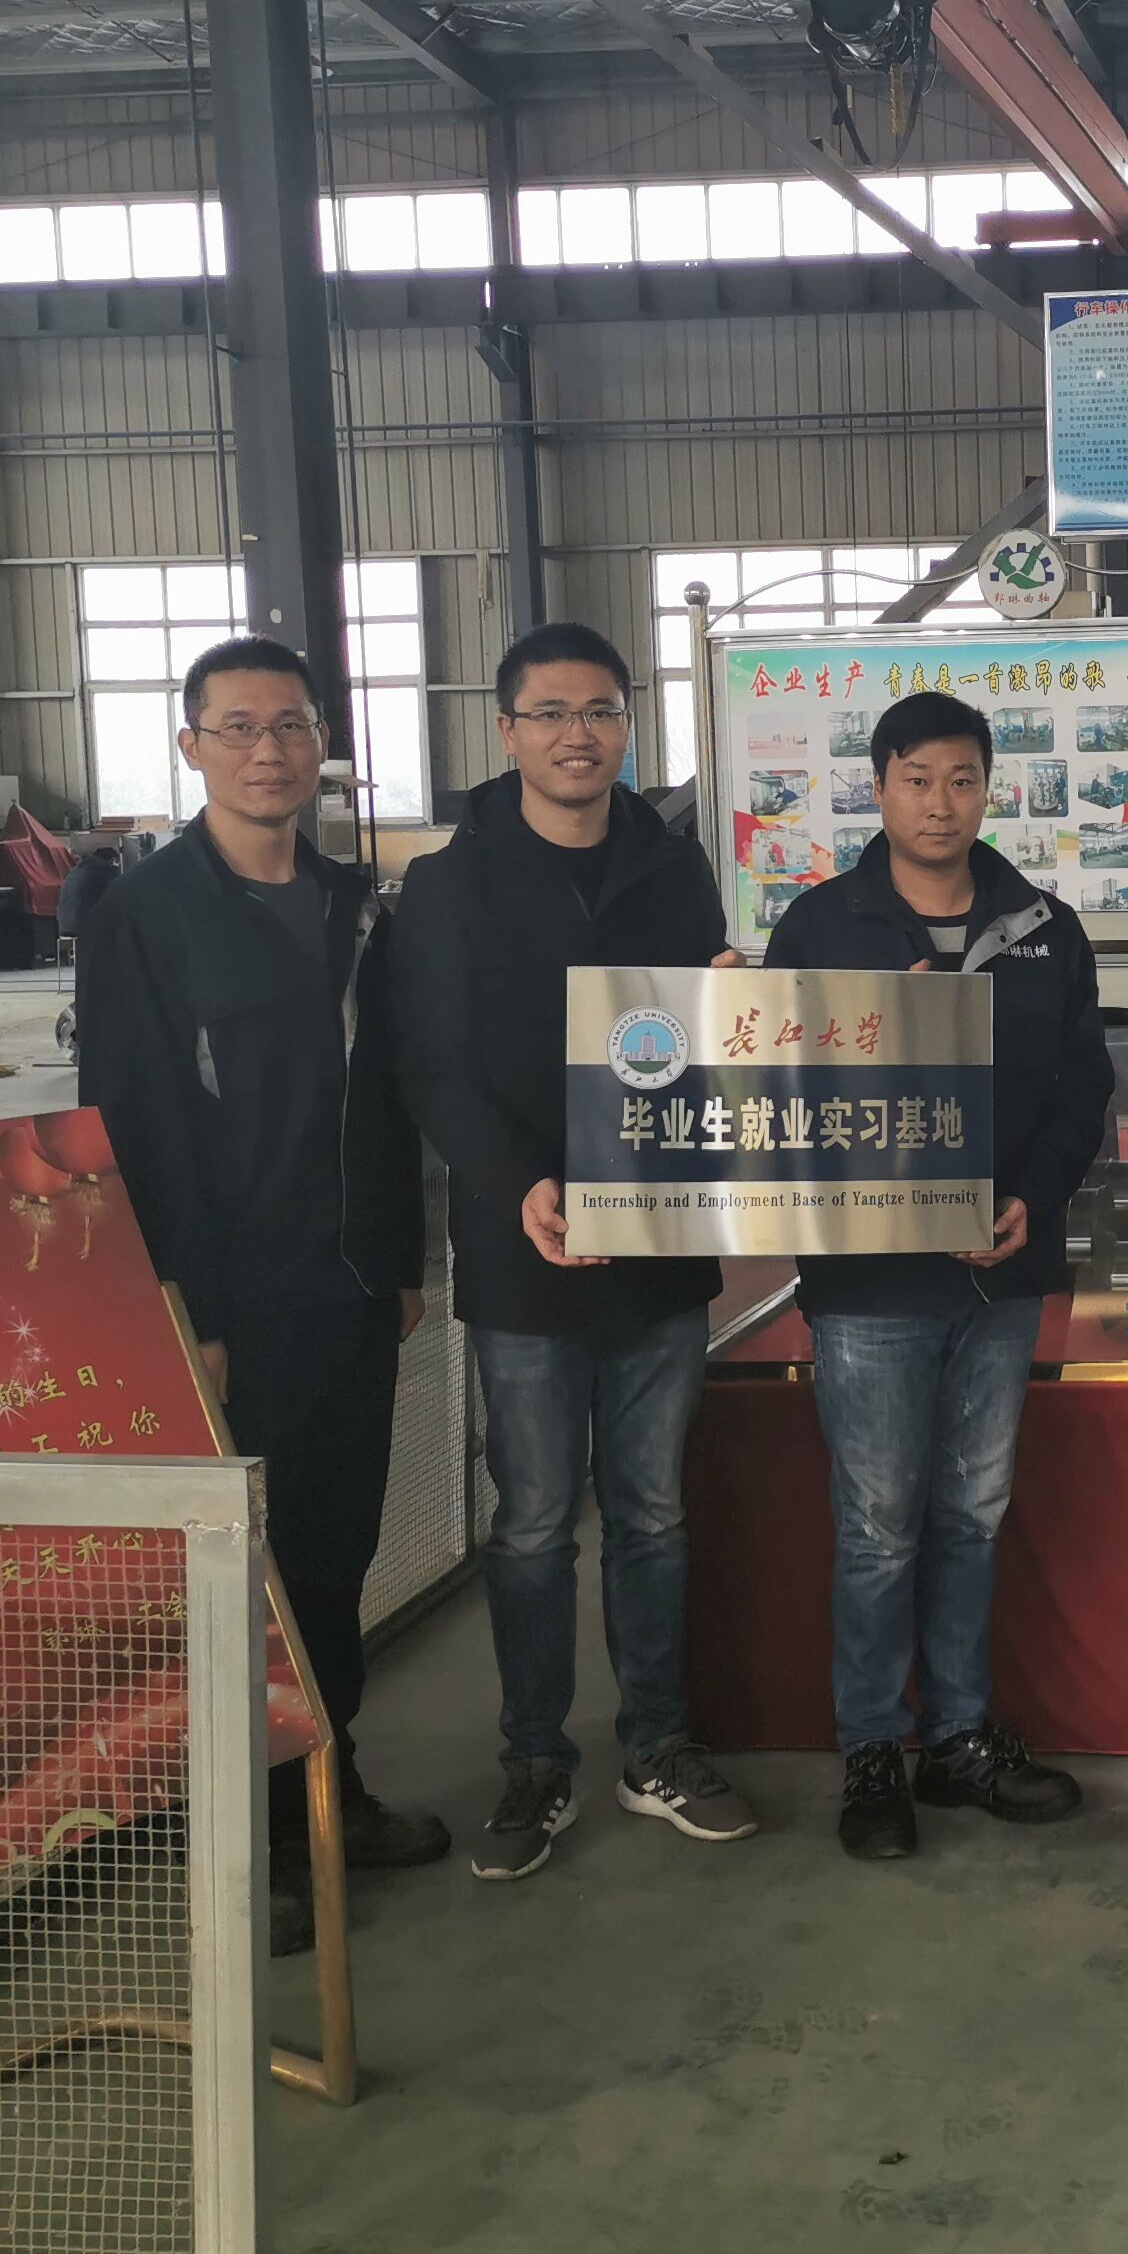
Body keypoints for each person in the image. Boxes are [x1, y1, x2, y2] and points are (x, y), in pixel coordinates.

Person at [73, 635, 445, 1956]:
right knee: (243, 1576)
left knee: (334, 1557)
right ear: (191, 748)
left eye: (289, 727)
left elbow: (389, 1099)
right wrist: (187, 1306)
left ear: (321, 745)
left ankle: (328, 1795)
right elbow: (129, 1119)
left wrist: (401, 1263)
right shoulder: (146, 915)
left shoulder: (354, 905)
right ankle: (247, 1836)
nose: (267, 751)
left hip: (347, 1291)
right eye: (236, 728)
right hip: (235, 1303)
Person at [387, 620, 757, 1881]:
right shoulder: (451, 886)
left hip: (659, 1241)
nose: (576, 735)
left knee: (652, 1512)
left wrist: (740, 1009)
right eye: (548, 713)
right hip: (524, 1247)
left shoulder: (674, 867)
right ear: (506, 731)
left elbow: (702, 1038)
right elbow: (433, 1064)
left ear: (628, 726)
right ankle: (535, 1762)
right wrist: (521, 1189)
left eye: (598, 710)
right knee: (536, 1522)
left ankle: (657, 1746)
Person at [764, 691, 1113, 1863]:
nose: (941, 803)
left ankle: (959, 1738)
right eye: (917, 780)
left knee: (972, 1515)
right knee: (877, 1528)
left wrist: (1030, 1201)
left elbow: (1083, 1088)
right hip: (870, 1285)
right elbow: (779, 1099)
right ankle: (872, 1747)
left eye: (963, 780)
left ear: (988, 791)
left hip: (1002, 1277)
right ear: (879, 788)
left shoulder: (1045, 928)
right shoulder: (821, 928)